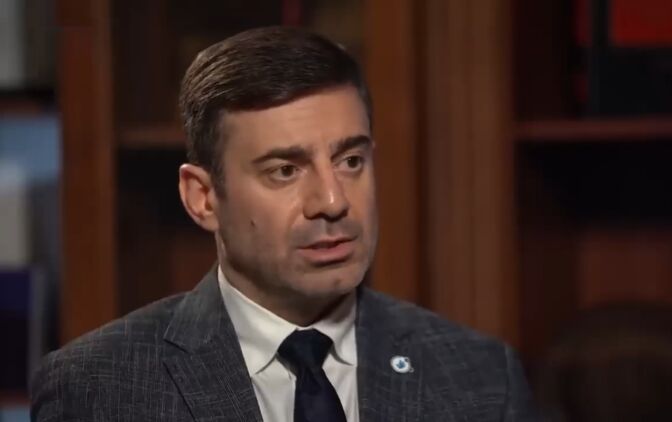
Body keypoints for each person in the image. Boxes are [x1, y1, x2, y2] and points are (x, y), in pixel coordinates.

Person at [31, 26, 538, 421]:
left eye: (351, 161)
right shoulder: (98, 388)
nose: (333, 202)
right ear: (203, 198)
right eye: (285, 171)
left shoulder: (480, 379)